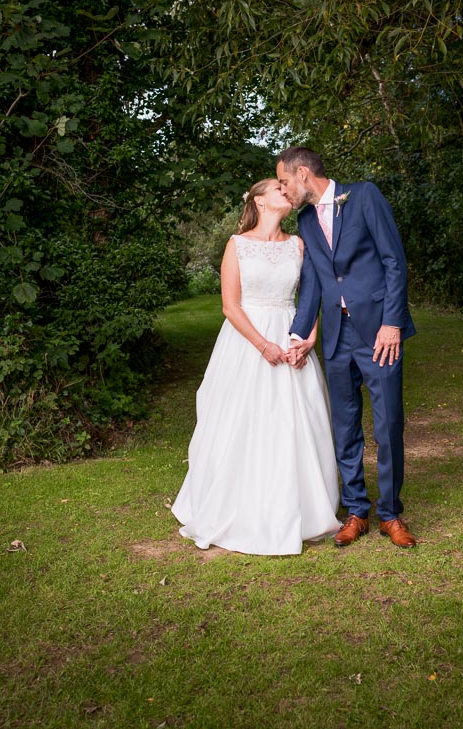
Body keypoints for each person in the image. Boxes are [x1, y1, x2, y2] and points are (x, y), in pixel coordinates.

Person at [171, 178, 342, 555]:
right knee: (241, 421)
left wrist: (308, 339)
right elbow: (231, 306)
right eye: (279, 189)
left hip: (291, 334)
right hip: (248, 341)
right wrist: (263, 345)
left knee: (297, 420)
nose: (287, 192)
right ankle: (239, 505)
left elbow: (311, 297)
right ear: (260, 201)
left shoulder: (298, 244)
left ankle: (304, 507)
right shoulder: (237, 245)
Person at [276, 147, 419, 549]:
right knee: (344, 426)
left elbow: (394, 260)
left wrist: (392, 322)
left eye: (284, 182)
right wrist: (299, 335)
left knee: (388, 422)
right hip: (337, 336)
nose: (284, 191)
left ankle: (391, 513)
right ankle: (356, 509)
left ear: (303, 174)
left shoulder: (364, 196)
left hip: (378, 332)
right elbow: (314, 281)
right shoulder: (306, 219)